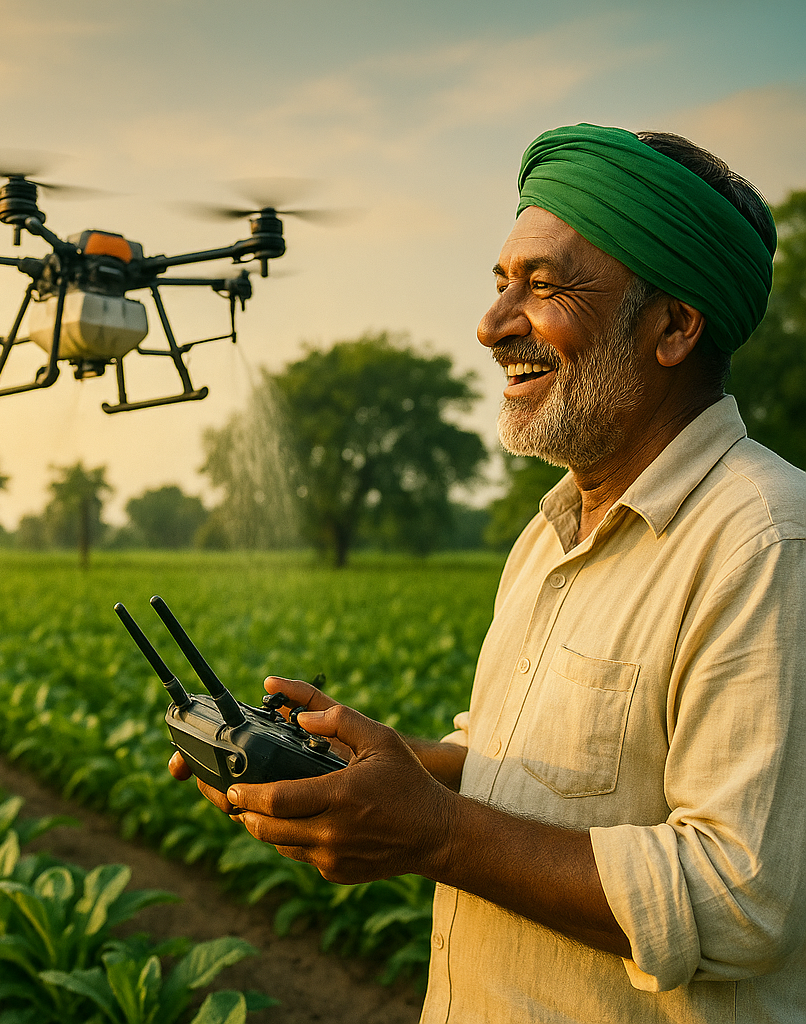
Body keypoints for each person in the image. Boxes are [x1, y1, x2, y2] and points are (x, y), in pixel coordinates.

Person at [169, 123, 806, 1021]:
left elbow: (741, 900)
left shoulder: (767, 543)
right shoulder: (547, 536)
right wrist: (351, 764)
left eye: (542, 287)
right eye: (502, 282)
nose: (492, 324)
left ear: (673, 326)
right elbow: (517, 768)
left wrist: (433, 836)